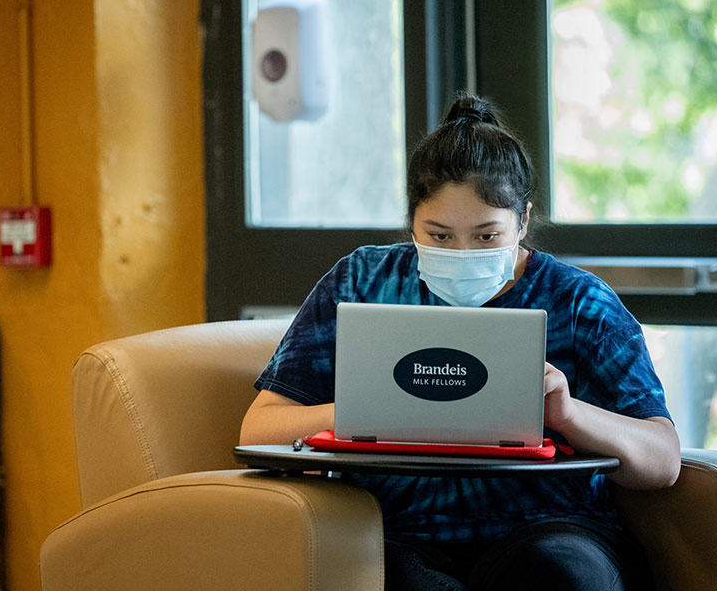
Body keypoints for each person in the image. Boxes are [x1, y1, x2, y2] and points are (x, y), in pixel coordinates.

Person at [239, 93, 681, 590]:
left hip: (552, 531)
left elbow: (661, 461)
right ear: (411, 223)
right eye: (440, 236)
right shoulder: (361, 281)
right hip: (396, 534)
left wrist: (567, 415)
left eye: (487, 236)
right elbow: (259, 430)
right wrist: (359, 413)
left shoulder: (578, 301)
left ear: (523, 220)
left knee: (561, 575)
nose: (463, 253)